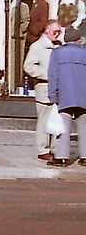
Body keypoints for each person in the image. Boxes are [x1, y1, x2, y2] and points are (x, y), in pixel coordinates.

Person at [47, 25, 86, 167]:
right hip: (83, 95)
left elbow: (53, 76)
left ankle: (62, 157)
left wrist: (53, 96)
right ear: (79, 40)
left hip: (65, 94)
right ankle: (85, 157)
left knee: (63, 126)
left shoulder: (57, 53)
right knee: (84, 126)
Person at [23, 19, 62, 161]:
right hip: (44, 90)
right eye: (55, 31)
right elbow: (28, 66)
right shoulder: (37, 46)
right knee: (44, 121)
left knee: (55, 121)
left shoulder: (58, 46)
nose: (57, 34)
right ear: (47, 31)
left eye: (59, 32)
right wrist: (47, 75)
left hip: (57, 91)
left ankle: (54, 148)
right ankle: (42, 149)